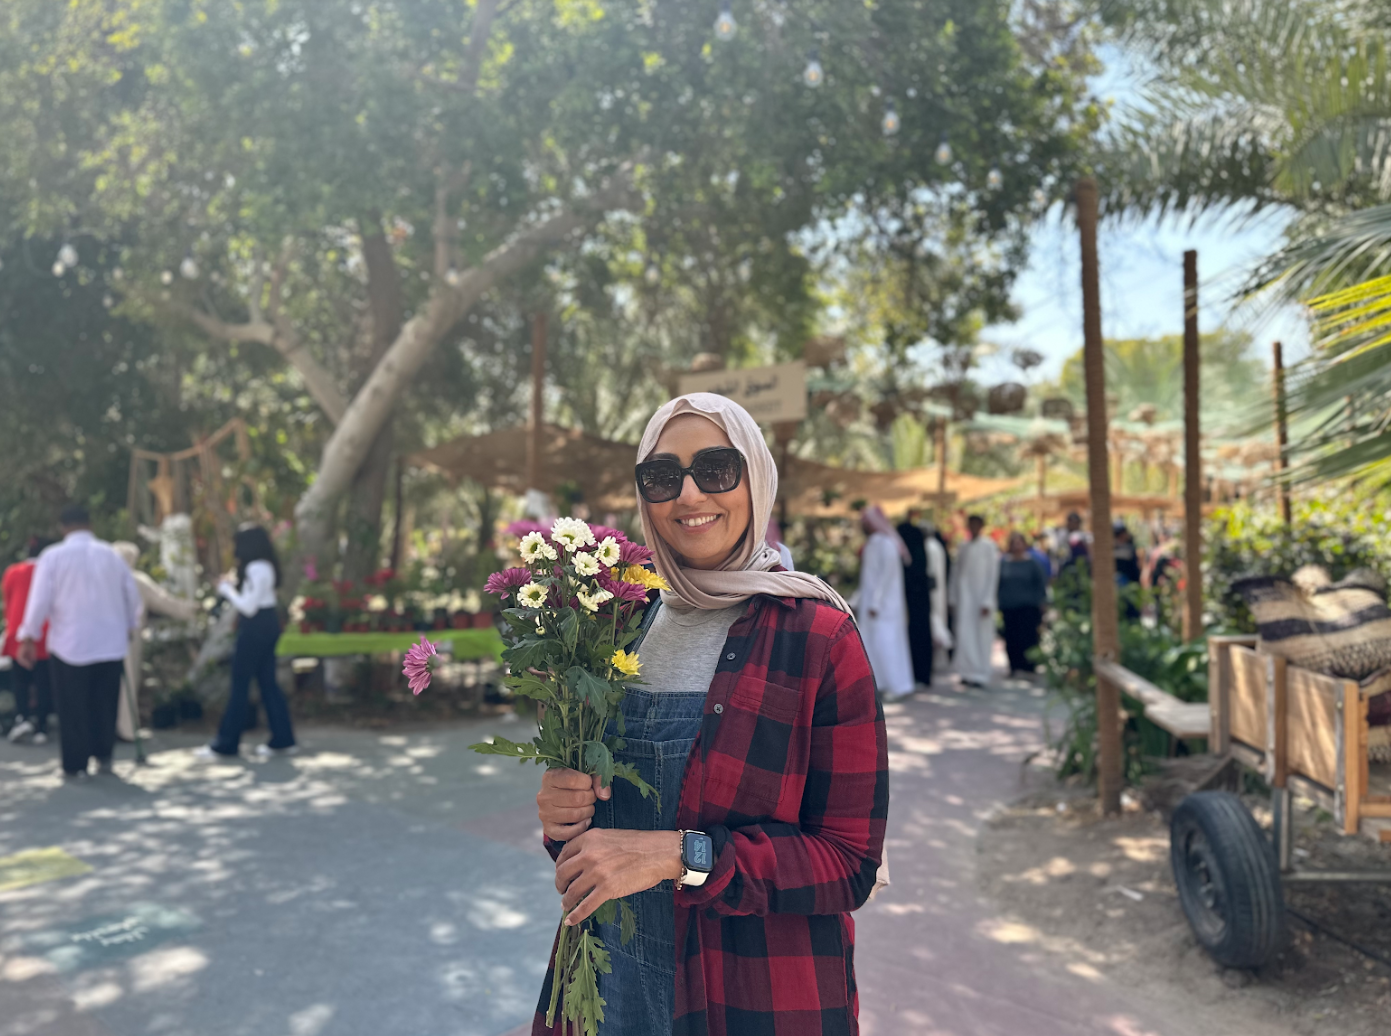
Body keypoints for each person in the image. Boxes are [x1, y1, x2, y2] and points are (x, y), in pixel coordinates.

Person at [532, 393, 887, 1036]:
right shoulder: (617, 625)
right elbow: (595, 842)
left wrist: (681, 856)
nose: (689, 495)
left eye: (717, 469)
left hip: (752, 996)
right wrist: (563, 811)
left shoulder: (818, 638)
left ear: (756, 477)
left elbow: (848, 863)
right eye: (662, 476)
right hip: (608, 987)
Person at [16, 506, 142, 779]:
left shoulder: (53, 557)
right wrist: (130, 625)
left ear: (63, 527)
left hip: (69, 643)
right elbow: (132, 596)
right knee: (105, 701)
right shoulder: (112, 555)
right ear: (90, 524)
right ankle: (104, 755)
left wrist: (28, 636)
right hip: (110, 642)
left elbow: (40, 601)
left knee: (72, 705)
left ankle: (75, 764)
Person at [195, 525, 296, 759]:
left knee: (240, 683)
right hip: (269, 623)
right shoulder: (267, 566)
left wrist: (227, 590)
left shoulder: (255, 568)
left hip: (255, 627)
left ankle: (226, 743)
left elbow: (248, 607)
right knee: (267, 683)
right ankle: (283, 738)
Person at [111, 542, 200, 742]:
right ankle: (126, 727)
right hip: (129, 638)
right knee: (127, 682)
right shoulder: (137, 580)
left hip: (103, 639)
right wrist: (192, 610)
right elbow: (164, 601)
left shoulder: (103, 580)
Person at [858, 505, 916, 700]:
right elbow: (868, 578)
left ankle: (897, 685)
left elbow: (886, 577)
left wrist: (876, 603)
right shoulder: (872, 544)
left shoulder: (887, 544)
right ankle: (880, 684)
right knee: (872, 645)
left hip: (885, 606)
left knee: (887, 644)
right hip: (871, 606)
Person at [4, 537, 56, 745]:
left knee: (20, 681)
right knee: (44, 682)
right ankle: (41, 726)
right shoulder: (50, 571)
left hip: (17, 632)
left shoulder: (13, 571)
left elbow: (7, 600)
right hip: (45, 633)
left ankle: (23, 718)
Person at [951, 514, 1000, 688]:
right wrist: (952, 598)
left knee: (981, 636)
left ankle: (980, 674)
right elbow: (956, 574)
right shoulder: (963, 546)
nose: (973, 527)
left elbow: (993, 575)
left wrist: (987, 600)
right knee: (964, 634)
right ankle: (966, 672)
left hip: (981, 600)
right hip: (964, 600)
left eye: (976, 524)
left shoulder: (989, 546)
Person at [896, 508, 936, 686]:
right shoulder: (920, 553)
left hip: (915, 598)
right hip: (919, 598)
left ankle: (920, 673)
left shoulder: (912, 560)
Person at [998, 532, 1048, 675]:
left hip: (1029, 607)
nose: (1017, 546)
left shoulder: (1032, 563)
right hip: (1009, 606)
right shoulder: (1004, 563)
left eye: (1019, 543)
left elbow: (1040, 584)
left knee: (1028, 637)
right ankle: (1014, 666)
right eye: (1014, 543)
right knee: (1011, 637)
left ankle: (1029, 667)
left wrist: (1042, 602)